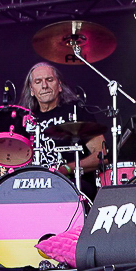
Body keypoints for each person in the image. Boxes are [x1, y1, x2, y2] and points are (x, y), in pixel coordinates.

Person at [20, 62, 106, 193]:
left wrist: (67, 168)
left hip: (73, 185)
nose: (44, 86)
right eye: (38, 82)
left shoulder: (76, 112)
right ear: (31, 90)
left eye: (49, 80)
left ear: (59, 85)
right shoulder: (26, 119)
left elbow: (101, 155)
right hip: (34, 186)